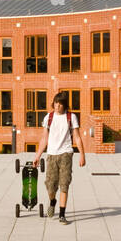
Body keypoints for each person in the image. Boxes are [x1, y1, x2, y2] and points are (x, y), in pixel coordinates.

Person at [32, 92, 85, 224]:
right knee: (50, 186)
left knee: (64, 184)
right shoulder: (48, 117)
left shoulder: (71, 117)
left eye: (60, 103)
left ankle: (62, 214)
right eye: (56, 103)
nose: (57, 106)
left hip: (66, 154)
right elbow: (44, 138)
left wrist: (82, 155)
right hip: (51, 155)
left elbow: (77, 137)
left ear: (64, 105)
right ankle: (52, 201)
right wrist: (37, 156)